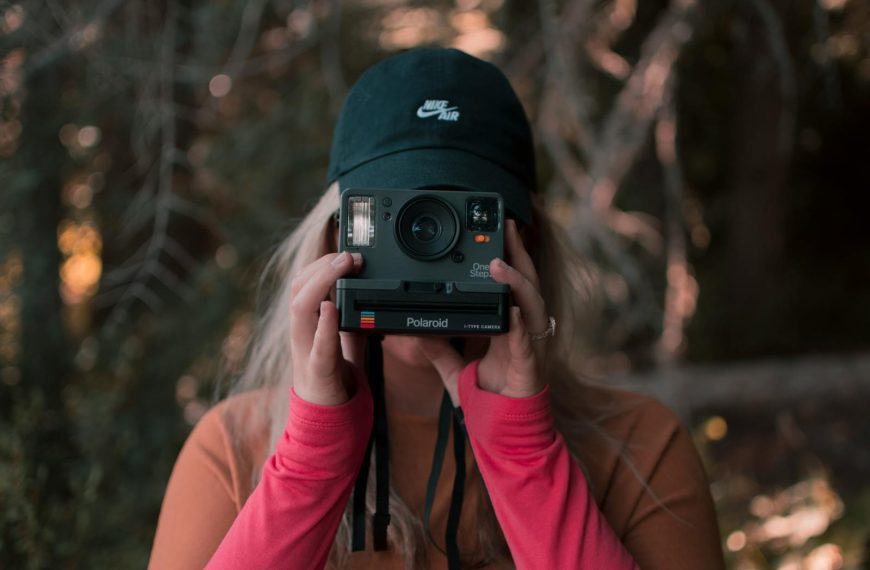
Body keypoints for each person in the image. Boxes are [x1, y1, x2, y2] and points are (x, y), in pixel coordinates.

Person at [148, 48, 725, 569]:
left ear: (528, 245)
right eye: (392, 225)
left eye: (461, 224)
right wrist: (311, 456)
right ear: (330, 241)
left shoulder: (638, 447)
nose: (422, 253)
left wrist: (524, 452)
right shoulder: (234, 448)